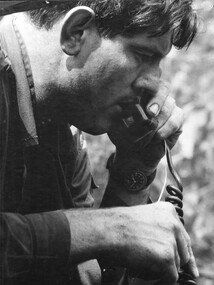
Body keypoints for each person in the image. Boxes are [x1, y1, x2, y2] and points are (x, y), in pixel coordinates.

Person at [0, 0, 199, 284]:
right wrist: (111, 229)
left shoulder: (61, 118)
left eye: (158, 62)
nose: (154, 83)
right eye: (142, 53)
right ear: (75, 33)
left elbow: (82, 275)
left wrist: (135, 164)